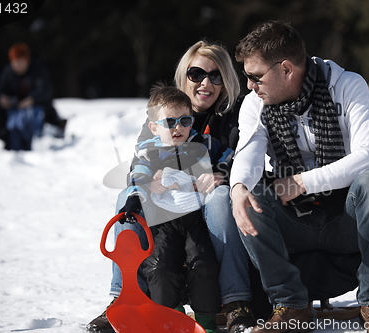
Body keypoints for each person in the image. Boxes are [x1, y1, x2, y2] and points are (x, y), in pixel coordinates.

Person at [230, 21, 369, 333]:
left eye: (255, 76)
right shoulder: (256, 102)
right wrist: (237, 187)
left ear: (286, 69)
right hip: (294, 219)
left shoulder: (348, 86)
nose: (250, 85)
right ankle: (290, 306)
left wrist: (303, 182)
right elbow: (249, 149)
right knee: (249, 195)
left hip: (344, 217)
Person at [88, 40, 256, 333]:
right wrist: (146, 181)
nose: (206, 82)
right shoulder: (164, 109)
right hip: (168, 206)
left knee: (218, 198)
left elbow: (242, 156)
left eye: (215, 75)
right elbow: (140, 158)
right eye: (197, 74)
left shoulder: (235, 114)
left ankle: (234, 301)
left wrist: (222, 175)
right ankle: (123, 296)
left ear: (226, 80)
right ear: (184, 76)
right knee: (127, 195)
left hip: (207, 201)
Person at [120, 83, 236, 332]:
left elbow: (230, 156)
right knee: (161, 266)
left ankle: (205, 319)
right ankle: (170, 315)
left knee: (203, 264)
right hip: (163, 222)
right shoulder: (149, 152)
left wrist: (220, 172)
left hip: (195, 220)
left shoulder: (204, 143)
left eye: (184, 120)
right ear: (153, 127)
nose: (178, 128)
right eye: (170, 122)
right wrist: (137, 195)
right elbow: (137, 175)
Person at [0, 42, 66, 150]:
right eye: (14, 62)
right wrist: (2, 97)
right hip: (15, 110)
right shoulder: (8, 71)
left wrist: (31, 99)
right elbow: (1, 89)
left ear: (27, 60)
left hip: (39, 109)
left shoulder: (38, 68)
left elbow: (45, 89)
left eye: (20, 62)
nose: (17, 66)